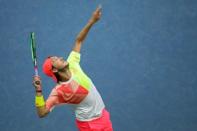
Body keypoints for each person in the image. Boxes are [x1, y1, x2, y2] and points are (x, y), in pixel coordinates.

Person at [32, 5, 113, 131]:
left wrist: (92, 21)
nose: (60, 57)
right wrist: (38, 92)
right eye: (55, 60)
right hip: (89, 126)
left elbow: (78, 41)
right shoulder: (59, 92)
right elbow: (42, 113)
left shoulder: (73, 63)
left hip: (103, 117)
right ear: (54, 70)